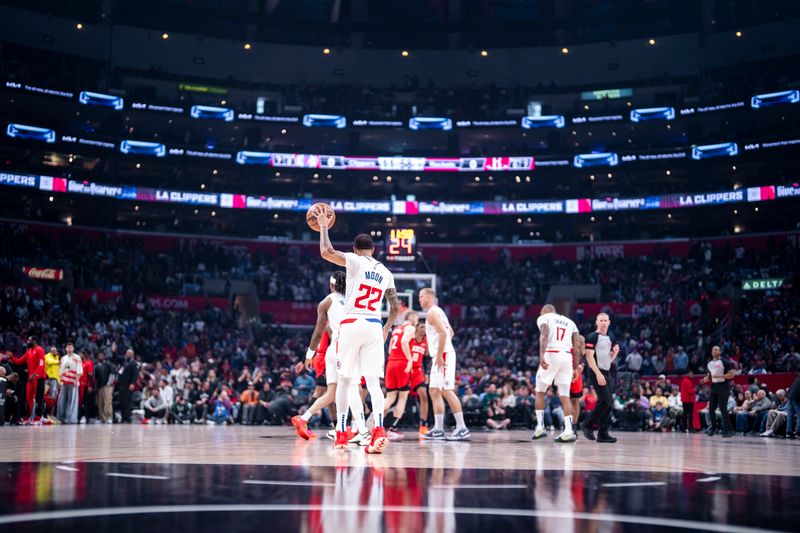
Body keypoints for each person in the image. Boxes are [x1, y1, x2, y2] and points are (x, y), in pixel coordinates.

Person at [311, 205, 399, 453]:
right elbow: (394, 307)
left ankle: (341, 433)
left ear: (355, 249)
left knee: (346, 382)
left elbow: (326, 252)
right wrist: (387, 329)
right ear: (374, 250)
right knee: (373, 383)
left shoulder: (355, 261)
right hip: (374, 325)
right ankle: (378, 430)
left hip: (351, 325)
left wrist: (324, 225)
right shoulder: (386, 272)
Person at [290, 272, 370, 444]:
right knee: (354, 389)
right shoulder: (353, 301)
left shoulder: (326, 302)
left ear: (331, 285)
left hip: (331, 351)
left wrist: (308, 355)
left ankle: (306, 419)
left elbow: (318, 331)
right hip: (346, 348)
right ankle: (360, 430)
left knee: (333, 393)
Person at [419, 287, 470, 441]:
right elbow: (451, 332)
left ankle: (462, 428)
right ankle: (439, 429)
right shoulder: (439, 311)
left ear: (429, 297)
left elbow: (443, 333)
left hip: (444, 355)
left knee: (447, 391)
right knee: (434, 390)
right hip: (441, 354)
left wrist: (441, 352)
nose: (419, 299)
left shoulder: (432, 312)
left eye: (421, 296)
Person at [532, 304, 581, 443]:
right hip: (567, 357)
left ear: (545, 311)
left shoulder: (544, 318)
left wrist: (541, 356)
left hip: (551, 354)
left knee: (540, 392)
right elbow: (577, 345)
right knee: (565, 395)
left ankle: (540, 427)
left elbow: (544, 335)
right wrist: (575, 368)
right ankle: (568, 431)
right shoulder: (571, 322)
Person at [581, 313, 620, 443]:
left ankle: (603, 433)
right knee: (604, 401)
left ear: (609, 322)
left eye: (605, 320)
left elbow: (608, 360)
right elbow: (589, 357)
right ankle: (588, 424)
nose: (603, 322)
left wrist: (614, 354)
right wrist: (598, 374)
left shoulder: (608, 338)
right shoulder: (593, 337)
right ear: (597, 322)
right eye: (601, 320)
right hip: (597, 372)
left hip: (607, 372)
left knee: (608, 404)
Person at [383, 311, 419, 441]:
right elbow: (404, 342)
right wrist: (410, 359)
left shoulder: (396, 329)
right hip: (402, 363)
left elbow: (389, 350)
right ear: (412, 317)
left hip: (391, 362)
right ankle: (392, 428)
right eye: (416, 318)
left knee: (390, 397)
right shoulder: (410, 327)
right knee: (402, 397)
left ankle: (375, 424)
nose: (417, 320)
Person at [11, 336, 46, 423]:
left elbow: (41, 365)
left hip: (39, 377)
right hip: (30, 379)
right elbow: (19, 361)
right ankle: (28, 416)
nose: (27, 342)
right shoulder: (28, 351)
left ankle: (38, 417)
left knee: (39, 397)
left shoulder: (40, 350)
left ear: (34, 341)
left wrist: (34, 374)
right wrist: (11, 357)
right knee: (28, 397)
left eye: (29, 340)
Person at [702, 345, 735, 437]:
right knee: (711, 408)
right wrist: (706, 378)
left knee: (723, 409)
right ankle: (713, 428)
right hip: (714, 387)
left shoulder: (725, 362)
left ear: (720, 352)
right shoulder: (709, 363)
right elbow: (708, 375)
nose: (714, 350)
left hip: (724, 387)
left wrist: (721, 376)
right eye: (713, 349)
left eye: (716, 349)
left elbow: (732, 375)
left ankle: (729, 430)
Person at [408, 322, 430, 436]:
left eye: (425, 327)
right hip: (406, 370)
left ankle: (423, 424)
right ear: (416, 328)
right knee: (397, 397)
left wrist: (426, 373)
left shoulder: (426, 341)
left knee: (424, 395)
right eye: (421, 327)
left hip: (417, 371)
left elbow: (426, 359)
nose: (424, 329)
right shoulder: (409, 339)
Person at [57, 342, 82, 424]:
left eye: (71, 347)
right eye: (68, 347)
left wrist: (76, 379)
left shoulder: (77, 357)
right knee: (62, 400)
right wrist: (60, 380)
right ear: (66, 349)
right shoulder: (63, 358)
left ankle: (71, 419)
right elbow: (60, 370)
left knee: (72, 401)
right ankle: (61, 418)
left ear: (73, 348)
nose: (69, 349)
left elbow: (79, 370)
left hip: (73, 382)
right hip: (64, 382)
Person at [118, 349, 139, 423]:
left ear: (131, 355)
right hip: (122, 384)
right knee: (122, 402)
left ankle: (127, 417)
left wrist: (133, 383)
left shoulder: (133, 363)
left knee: (127, 402)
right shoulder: (125, 362)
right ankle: (123, 417)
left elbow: (136, 374)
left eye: (128, 354)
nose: (126, 355)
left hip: (128, 385)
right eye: (126, 353)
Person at [94, 351, 114, 424]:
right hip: (99, 386)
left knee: (107, 402)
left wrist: (109, 384)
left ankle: (109, 417)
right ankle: (102, 418)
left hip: (107, 386)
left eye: (101, 355)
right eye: (99, 355)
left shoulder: (108, 364)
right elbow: (95, 378)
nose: (100, 357)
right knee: (100, 403)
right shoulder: (97, 366)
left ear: (104, 356)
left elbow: (112, 374)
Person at [43, 346, 60, 419]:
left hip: (55, 380)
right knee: (44, 397)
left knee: (53, 398)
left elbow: (57, 370)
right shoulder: (47, 356)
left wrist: (59, 381)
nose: (54, 352)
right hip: (47, 379)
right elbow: (50, 362)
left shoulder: (57, 357)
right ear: (50, 351)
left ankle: (51, 415)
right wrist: (58, 362)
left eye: (55, 351)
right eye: (53, 351)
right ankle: (43, 414)